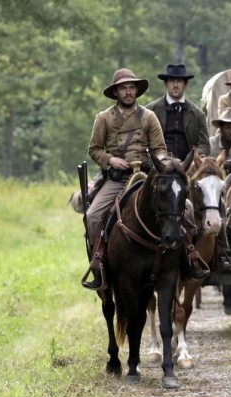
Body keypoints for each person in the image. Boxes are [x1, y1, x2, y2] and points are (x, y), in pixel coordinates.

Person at [81, 68, 168, 290]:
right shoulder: (103, 118)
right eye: (123, 88)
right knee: (92, 216)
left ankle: (184, 258)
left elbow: (160, 149)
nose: (128, 92)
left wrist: (158, 162)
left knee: (184, 209)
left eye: (131, 88)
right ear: (116, 92)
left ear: (136, 90)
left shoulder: (149, 117)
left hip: (146, 177)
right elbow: (94, 149)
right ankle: (99, 263)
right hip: (117, 179)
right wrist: (111, 160)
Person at [146, 63, 210, 160]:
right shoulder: (150, 110)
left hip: (189, 165)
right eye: (172, 81)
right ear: (166, 84)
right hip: (159, 163)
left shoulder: (198, 114)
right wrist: (157, 158)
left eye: (179, 81)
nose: (175, 85)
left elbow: (204, 144)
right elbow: (142, 140)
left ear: (186, 84)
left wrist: (195, 158)